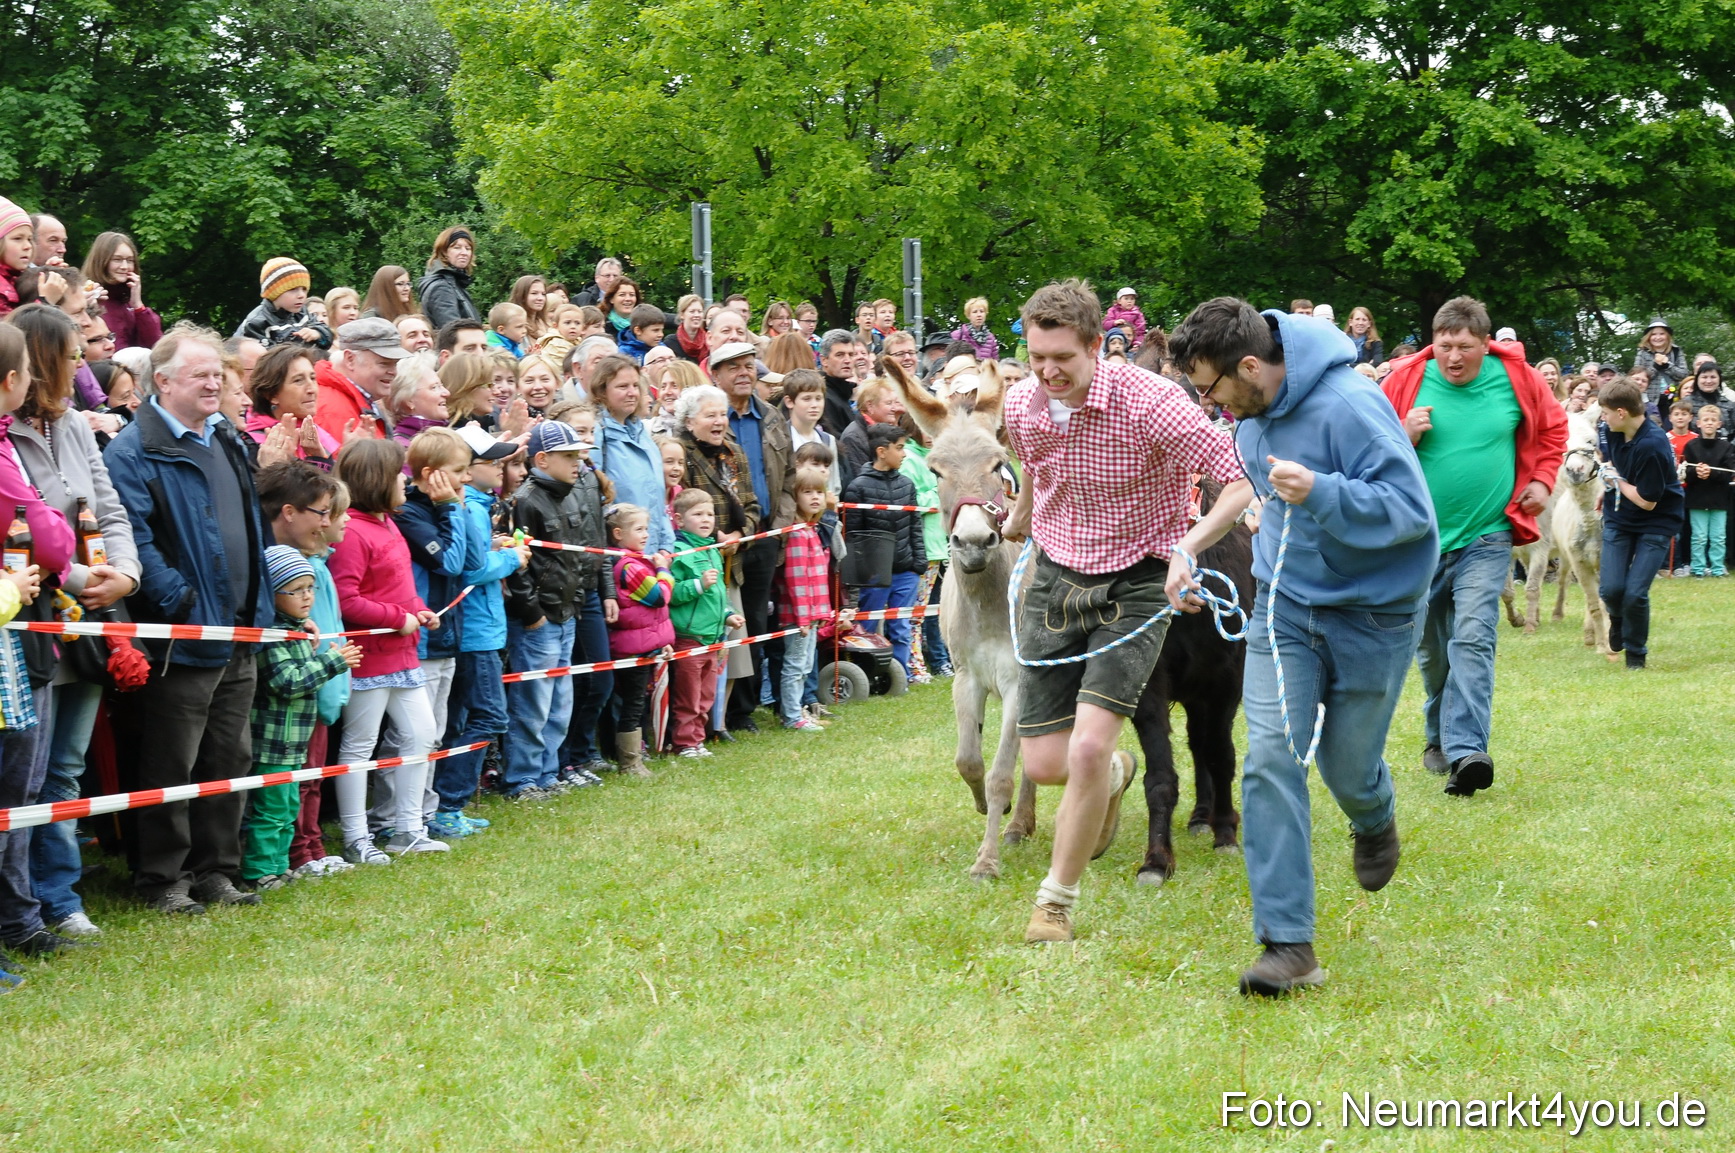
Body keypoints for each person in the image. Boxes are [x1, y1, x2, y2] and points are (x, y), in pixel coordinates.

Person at [1165, 297, 1434, 995]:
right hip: (1283, 610)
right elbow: (1258, 499)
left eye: (1211, 387)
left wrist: (1322, 491)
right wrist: (1193, 549)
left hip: (1375, 615)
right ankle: (1288, 944)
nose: (1209, 404)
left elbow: (1411, 512)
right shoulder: (1250, 421)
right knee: (1270, 757)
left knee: (1347, 767)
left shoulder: (1351, 406)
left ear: (1251, 367)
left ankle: (1372, 812)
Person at [996, 280, 1248, 949]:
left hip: (1138, 577)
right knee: (1046, 764)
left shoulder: (1151, 403)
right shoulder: (1021, 403)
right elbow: (1037, 466)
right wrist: (1020, 516)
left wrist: (1187, 549)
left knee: (1085, 745)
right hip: (1056, 574)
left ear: (1093, 347)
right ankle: (1110, 775)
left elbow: (1237, 476)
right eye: (1036, 357)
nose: (1048, 372)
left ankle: (1054, 903)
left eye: (1062, 359)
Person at [105, 327, 275, 913]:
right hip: (182, 636)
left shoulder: (225, 436)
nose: (213, 383)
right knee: (170, 762)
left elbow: (250, 524)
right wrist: (178, 601)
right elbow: (134, 540)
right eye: (200, 374)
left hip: (239, 630)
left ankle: (216, 872)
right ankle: (163, 879)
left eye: (217, 374)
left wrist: (259, 601)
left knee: (229, 758)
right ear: (163, 381)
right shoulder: (132, 451)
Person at [1379, 297, 1565, 796]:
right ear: (1432, 343)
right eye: (1444, 346)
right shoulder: (1404, 380)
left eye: (1464, 346)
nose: (1454, 357)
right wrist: (1403, 434)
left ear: (1485, 344)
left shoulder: (1518, 378)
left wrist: (1542, 480)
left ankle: (1466, 752)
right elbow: (1366, 447)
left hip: (1488, 534)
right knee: (1433, 651)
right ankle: (1438, 736)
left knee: (1474, 636)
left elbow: (1553, 431)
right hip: (1418, 542)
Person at [9, 309, 141, 938]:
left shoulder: (74, 425)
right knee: (25, 774)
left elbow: (109, 505)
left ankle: (59, 896)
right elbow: (25, 529)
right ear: (38, 361)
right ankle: (22, 904)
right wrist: (83, 577)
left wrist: (126, 575)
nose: (82, 368)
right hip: (33, 616)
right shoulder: (6, 432)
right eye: (72, 356)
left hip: (90, 617)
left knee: (64, 766)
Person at [0, 322, 79, 965]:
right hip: (14, 631)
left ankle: (18, 916)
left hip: (26, 623)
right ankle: (16, 920)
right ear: (11, 380)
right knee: (15, 785)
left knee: (21, 786)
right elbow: (52, 539)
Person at [327, 438, 446, 861]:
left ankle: (408, 829)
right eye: (399, 475)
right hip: (369, 657)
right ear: (377, 480)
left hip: (403, 654)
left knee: (422, 734)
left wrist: (418, 608)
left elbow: (399, 585)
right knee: (360, 746)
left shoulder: (388, 524)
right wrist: (398, 618)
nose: (405, 482)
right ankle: (356, 837)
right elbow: (346, 599)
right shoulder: (353, 532)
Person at [254, 463, 353, 880]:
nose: (330, 522)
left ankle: (306, 852)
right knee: (275, 804)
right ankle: (280, 863)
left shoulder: (316, 568)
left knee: (303, 788)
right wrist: (331, 662)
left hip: (312, 709)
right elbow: (284, 681)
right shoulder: (275, 627)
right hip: (279, 735)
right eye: (323, 512)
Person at [241, 547, 361, 891]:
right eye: (296, 590)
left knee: (287, 806)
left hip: (294, 744)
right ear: (272, 593)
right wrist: (332, 662)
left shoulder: (298, 631)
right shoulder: (272, 636)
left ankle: (279, 866)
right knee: (270, 811)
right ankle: (259, 871)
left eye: (310, 587)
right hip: (272, 745)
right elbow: (287, 682)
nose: (307, 596)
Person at [431, 425, 527, 833]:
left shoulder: (475, 505)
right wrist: (513, 559)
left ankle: (442, 805)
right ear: (467, 470)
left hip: (476, 627)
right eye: (493, 462)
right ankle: (448, 805)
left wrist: (495, 548)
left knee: (458, 720)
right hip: (475, 630)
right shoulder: (469, 506)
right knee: (489, 717)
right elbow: (471, 570)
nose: (502, 468)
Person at [380, 426, 470, 836]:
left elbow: (470, 561)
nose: (466, 478)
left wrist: (458, 508)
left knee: (433, 733)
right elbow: (450, 562)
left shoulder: (448, 506)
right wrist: (452, 508)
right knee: (408, 734)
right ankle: (389, 818)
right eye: (459, 471)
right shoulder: (411, 513)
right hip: (421, 640)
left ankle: (422, 813)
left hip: (447, 635)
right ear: (432, 473)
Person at [500, 421, 591, 800]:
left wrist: (577, 600)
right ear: (542, 459)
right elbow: (517, 566)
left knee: (559, 703)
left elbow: (578, 554)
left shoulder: (572, 494)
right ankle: (522, 779)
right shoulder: (525, 501)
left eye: (579, 456)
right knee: (532, 702)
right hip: (539, 620)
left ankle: (548, 773)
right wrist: (532, 613)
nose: (577, 463)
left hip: (567, 613)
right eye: (568, 456)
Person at [710, 341, 795, 729]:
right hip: (721, 541)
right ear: (715, 375)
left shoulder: (772, 416)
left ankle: (743, 710)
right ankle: (713, 713)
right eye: (733, 367)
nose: (744, 373)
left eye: (748, 365)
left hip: (764, 536)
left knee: (755, 623)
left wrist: (780, 526)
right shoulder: (710, 416)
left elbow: (789, 476)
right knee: (720, 621)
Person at [1596, 377, 1685, 669]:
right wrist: (1606, 484)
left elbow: (1648, 501)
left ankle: (1636, 655)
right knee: (1611, 589)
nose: (1603, 418)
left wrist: (1617, 483)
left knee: (1635, 593)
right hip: (1620, 517)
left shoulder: (1652, 445)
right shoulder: (1611, 431)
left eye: (1606, 412)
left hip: (1656, 520)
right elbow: (1613, 463)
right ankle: (1617, 619)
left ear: (1621, 412)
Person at [842, 423, 925, 675]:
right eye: (899, 448)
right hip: (874, 576)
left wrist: (917, 564)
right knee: (867, 627)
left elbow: (915, 526)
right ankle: (867, 676)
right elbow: (853, 538)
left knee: (900, 627)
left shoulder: (907, 485)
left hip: (905, 571)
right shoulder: (857, 488)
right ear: (881, 451)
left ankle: (900, 676)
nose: (904, 453)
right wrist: (862, 575)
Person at [667, 489, 744, 756]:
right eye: (697, 514)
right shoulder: (677, 551)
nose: (705, 519)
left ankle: (697, 739)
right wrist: (698, 584)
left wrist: (728, 614)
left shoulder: (712, 550)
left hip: (713, 637)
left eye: (710, 514)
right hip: (689, 637)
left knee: (706, 695)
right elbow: (671, 593)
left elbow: (719, 594)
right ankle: (684, 743)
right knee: (688, 695)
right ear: (679, 520)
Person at [604, 503, 674, 777]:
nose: (646, 535)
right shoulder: (630, 567)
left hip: (644, 645)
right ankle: (630, 762)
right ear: (618, 534)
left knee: (638, 702)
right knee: (632, 704)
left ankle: (637, 755)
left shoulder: (637, 562)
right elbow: (659, 597)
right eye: (639, 529)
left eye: (647, 528)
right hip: (631, 649)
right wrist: (663, 570)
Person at [591, 355, 676, 553]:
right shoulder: (596, 433)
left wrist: (665, 545)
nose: (632, 393)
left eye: (635, 386)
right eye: (622, 387)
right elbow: (594, 500)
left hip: (653, 553)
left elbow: (658, 498)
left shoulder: (642, 434)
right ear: (602, 391)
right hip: (622, 555)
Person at [776, 467, 836, 731]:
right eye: (807, 492)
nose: (815, 497)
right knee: (795, 666)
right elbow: (797, 580)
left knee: (805, 665)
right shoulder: (798, 534)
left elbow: (818, 579)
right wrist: (803, 618)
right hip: (798, 617)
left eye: (819, 492)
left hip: (812, 615)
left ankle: (798, 711)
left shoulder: (812, 530)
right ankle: (792, 716)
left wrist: (822, 613)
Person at [315, 318, 412, 442]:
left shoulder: (355, 399)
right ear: (350, 359)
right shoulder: (333, 410)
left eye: (395, 364)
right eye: (384, 364)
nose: (393, 372)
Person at [243, 343, 342, 466]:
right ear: (271, 394)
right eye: (298, 380)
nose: (311, 389)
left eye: (312, 378)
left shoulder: (316, 434)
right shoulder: (254, 444)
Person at [81, 231, 162, 350]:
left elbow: (155, 345)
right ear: (101, 261)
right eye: (117, 259)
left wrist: (138, 307)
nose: (124, 266)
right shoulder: (86, 297)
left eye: (129, 260)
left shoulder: (127, 303)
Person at [1683, 405, 1733, 577]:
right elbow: (1685, 472)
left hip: (1719, 500)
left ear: (1719, 424)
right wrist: (1696, 472)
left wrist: (1711, 473)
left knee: (1718, 537)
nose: (1709, 423)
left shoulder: (1727, 447)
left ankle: (1717, 568)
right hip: (1697, 499)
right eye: (1706, 420)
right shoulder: (1691, 446)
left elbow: (1729, 473)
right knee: (1699, 536)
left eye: (1713, 420)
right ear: (1698, 423)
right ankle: (1698, 568)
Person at [781, 369, 840, 494]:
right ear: (789, 402)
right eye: (807, 399)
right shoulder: (781, 438)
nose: (814, 405)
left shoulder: (828, 440)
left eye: (818, 398)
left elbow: (834, 485)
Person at [839, 378, 906, 479]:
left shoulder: (886, 430)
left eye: (894, 403)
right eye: (888, 403)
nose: (894, 408)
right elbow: (860, 480)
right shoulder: (853, 437)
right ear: (870, 405)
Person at [417, 226, 480, 331]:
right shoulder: (441, 287)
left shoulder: (454, 283)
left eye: (468, 248)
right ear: (444, 251)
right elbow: (452, 331)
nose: (464, 252)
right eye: (457, 247)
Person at [1632, 317, 1688, 414]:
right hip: (1649, 401)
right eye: (1653, 334)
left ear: (1667, 336)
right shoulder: (1642, 353)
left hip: (1673, 401)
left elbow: (1684, 375)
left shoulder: (1676, 351)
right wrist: (1656, 366)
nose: (1658, 337)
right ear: (1648, 337)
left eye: (1662, 334)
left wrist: (1667, 365)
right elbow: (1637, 378)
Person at [0, 200, 32, 317]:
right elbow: (15, 327)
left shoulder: (14, 276)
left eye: (29, 239)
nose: (28, 246)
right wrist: (45, 300)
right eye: (18, 238)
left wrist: (48, 274)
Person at [509, 275, 552, 343]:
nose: (540, 298)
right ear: (522, 296)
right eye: (534, 293)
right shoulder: (513, 325)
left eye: (543, 294)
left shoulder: (546, 324)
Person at [602, 278, 642, 343]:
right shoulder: (601, 325)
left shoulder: (644, 324)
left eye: (632, 295)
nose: (628, 299)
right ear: (611, 299)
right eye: (622, 295)